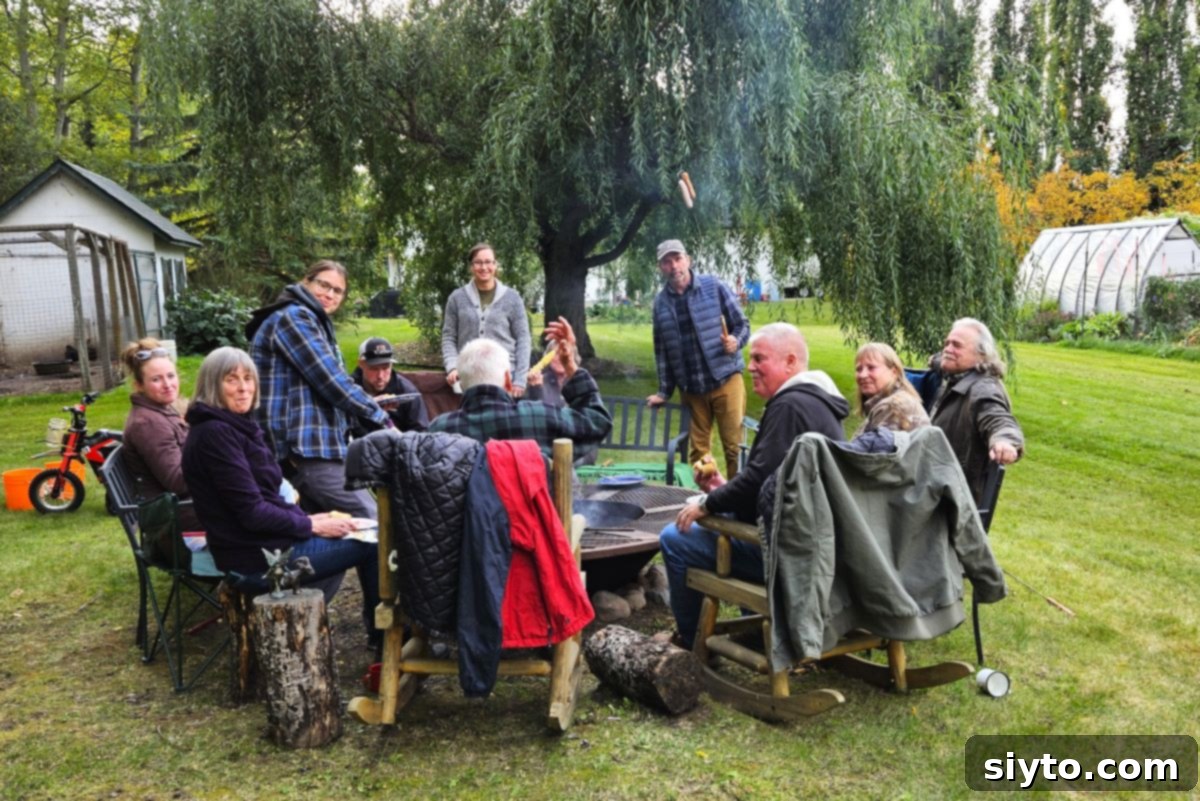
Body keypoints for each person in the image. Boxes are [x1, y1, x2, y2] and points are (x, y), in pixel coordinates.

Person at [659, 323, 849, 648]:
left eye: (759, 358)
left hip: (789, 556)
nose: (749, 367)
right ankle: (755, 631)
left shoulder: (790, 406)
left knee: (675, 538)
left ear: (790, 362)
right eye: (750, 358)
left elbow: (759, 480)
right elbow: (770, 483)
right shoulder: (817, 402)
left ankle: (690, 643)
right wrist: (722, 488)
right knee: (712, 521)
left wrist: (707, 503)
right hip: (812, 544)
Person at [181, 347, 380, 641]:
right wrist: (310, 525)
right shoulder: (216, 434)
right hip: (256, 559)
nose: (243, 387)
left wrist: (311, 518)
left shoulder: (233, 427)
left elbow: (265, 497)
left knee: (358, 531)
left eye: (248, 378)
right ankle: (383, 641)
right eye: (231, 379)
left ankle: (305, 631)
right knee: (376, 543)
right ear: (212, 385)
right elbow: (251, 512)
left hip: (265, 545)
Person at [245, 260, 388, 519]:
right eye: (324, 285)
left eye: (338, 291)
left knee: (335, 531)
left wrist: (366, 406)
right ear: (306, 281)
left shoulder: (312, 320)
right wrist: (381, 418)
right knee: (375, 521)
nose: (330, 294)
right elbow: (332, 381)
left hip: (316, 449)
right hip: (304, 452)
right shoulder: (293, 318)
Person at [429, 317, 612, 459]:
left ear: (461, 384)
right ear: (508, 380)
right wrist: (570, 365)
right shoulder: (539, 417)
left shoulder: (439, 430)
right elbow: (598, 422)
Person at [647, 239, 750, 479]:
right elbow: (662, 351)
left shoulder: (714, 286)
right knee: (699, 455)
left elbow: (742, 324)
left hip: (726, 380)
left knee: (734, 449)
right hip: (691, 390)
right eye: (667, 262)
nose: (674, 266)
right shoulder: (660, 304)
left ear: (688, 260)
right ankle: (705, 498)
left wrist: (735, 341)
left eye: (678, 259)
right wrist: (664, 391)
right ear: (660, 268)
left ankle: (738, 499)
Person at [930, 317, 1024, 504]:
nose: (948, 349)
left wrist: (1005, 440)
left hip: (952, 502)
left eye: (957, 345)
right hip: (937, 485)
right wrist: (935, 361)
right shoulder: (960, 375)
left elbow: (997, 418)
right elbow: (944, 363)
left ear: (981, 355)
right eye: (946, 343)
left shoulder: (982, 389)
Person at [119, 338, 201, 531]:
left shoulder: (161, 410)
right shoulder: (148, 424)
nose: (167, 384)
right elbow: (178, 481)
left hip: (189, 507)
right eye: (156, 379)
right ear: (139, 385)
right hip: (179, 518)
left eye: (171, 376)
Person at [442, 242, 532, 398]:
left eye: (488, 262)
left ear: (495, 265)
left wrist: (520, 378)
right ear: (471, 266)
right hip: (469, 376)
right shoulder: (456, 298)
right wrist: (452, 366)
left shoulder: (512, 298)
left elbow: (523, 338)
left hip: (505, 375)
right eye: (478, 262)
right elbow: (449, 336)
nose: (484, 267)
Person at [350, 337, 429, 435]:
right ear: (361, 364)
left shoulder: (406, 390)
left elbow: (421, 432)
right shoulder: (348, 389)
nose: (380, 376)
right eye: (374, 369)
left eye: (385, 368)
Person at [852, 342, 930, 437]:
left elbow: (876, 446)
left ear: (893, 372)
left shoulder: (893, 407)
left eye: (871, 368)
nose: (862, 375)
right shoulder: (886, 403)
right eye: (859, 369)